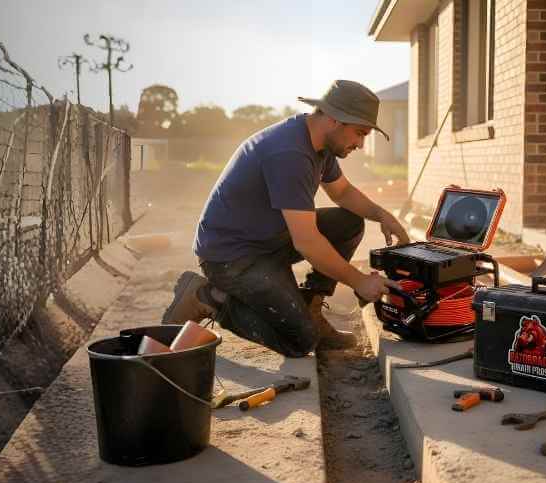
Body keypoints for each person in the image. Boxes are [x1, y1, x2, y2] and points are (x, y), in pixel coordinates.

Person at [162, 80, 410, 357]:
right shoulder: (289, 154)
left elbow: (341, 192)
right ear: (334, 120)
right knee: (301, 342)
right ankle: (208, 297)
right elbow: (307, 242)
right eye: (360, 133)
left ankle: (311, 309)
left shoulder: (320, 144)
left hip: (267, 239)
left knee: (349, 223)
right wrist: (359, 281)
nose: (362, 144)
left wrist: (382, 215)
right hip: (232, 257)